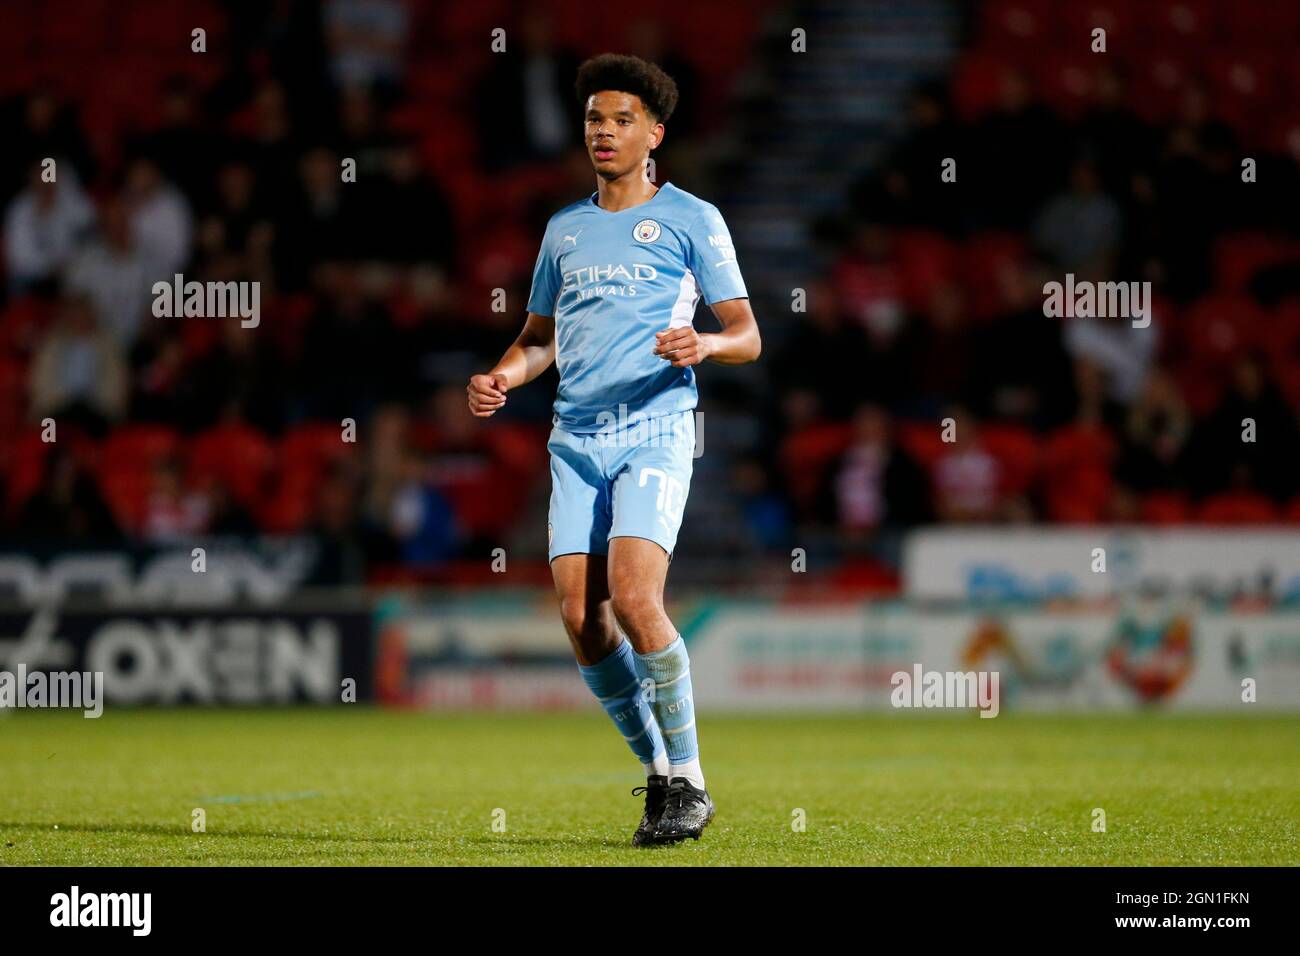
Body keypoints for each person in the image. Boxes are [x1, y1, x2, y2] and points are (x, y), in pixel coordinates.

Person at [466, 54, 760, 846]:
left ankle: (690, 781)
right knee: (580, 617)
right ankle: (660, 773)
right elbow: (539, 341)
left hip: (657, 428)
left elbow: (747, 335)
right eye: (595, 119)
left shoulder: (693, 219)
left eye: (622, 119)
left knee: (634, 599)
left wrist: (702, 343)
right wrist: (501, 375)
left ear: (654, 133)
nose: (604, 131)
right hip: (575, 437)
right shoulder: (564, 229)